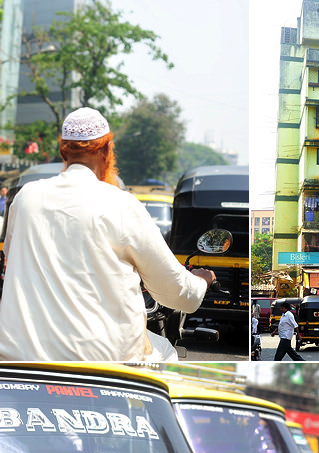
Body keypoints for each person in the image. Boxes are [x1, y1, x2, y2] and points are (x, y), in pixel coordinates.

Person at [0, 107, 214, 362]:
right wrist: (202, 280)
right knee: (166, 352)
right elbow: (177, 291)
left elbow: (12, 259)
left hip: (20, 354)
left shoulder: (26, 197)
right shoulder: (122, 204)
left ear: (63, 152)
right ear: (106, 152)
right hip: (100, 356)